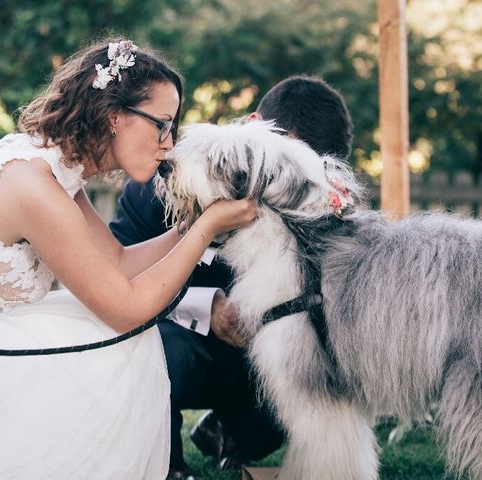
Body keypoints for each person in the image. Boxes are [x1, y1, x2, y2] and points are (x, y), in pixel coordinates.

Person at [0, 4, 258, 477]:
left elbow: (119, 263)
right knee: (122, 344)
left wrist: (193, 225)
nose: (169, 141)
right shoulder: (33, 182)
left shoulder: (57, 167)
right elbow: (124, 305)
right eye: (163, 123)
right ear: (115, 116)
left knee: (123, 342)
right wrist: (205, 229)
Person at [110, 74, 353, 479]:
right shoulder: (162, 183)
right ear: (255, 125)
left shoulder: (320, 201)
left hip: (269, 358)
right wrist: (208, 309)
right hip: (185, 347)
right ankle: (166, 463)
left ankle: (228, 433)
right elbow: (116, 283)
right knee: (156, 350)